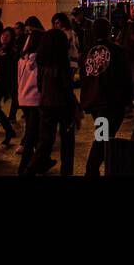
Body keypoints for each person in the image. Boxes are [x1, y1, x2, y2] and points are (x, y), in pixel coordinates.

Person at [81, 18, 132, 175]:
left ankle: (96, 168)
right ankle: (92, 168)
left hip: (96, 103)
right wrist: (127, 99)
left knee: (104, 135)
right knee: (103, 137)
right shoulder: (117, 51)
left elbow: (85, 78)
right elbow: (125, 76)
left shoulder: (88, 51)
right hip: (111, 103)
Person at [24, 27, 78, 175]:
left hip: (46, 104)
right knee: (67, 142)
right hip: (62, 105)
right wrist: (75, 106)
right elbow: (66, 87)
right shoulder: (62, 63)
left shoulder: (42, 62)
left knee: (45, 141)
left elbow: (40, 84)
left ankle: (30, 169)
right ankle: (66, 172)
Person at [15, 18, 44, 169]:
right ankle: (26, 166)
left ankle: (39, 162)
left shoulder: (22, 58)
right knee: (34, 133)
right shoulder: (38, 60)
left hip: (24, 98)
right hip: (35, 99)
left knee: (33, 131)